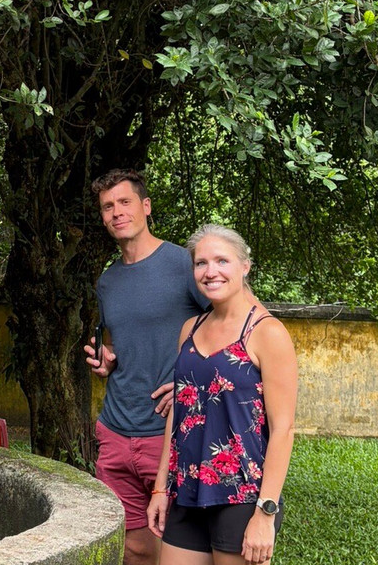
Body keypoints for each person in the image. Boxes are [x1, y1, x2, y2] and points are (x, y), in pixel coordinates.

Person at [146, 225, 297, 565]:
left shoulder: (267, 332)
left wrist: (266, 512)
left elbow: (284, 429)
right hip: (188, 490)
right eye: (201, 263)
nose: (210, 271)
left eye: (221, 261)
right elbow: (180, 414)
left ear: (244, 266)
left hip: (243, 495)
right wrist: (160, 489)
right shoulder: (191, 328)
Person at [84, 169, 211, 565]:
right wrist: (107, 359)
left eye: (125, 202)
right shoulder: (107, 281)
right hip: (115, 434)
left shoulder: (185, 264)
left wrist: (193, 382)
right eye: (108, 206)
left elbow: (237, 329)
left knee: (179, 552)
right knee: (134, 548)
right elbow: (118, 343)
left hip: (169, 433)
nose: (116, 212)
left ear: (146, 207)